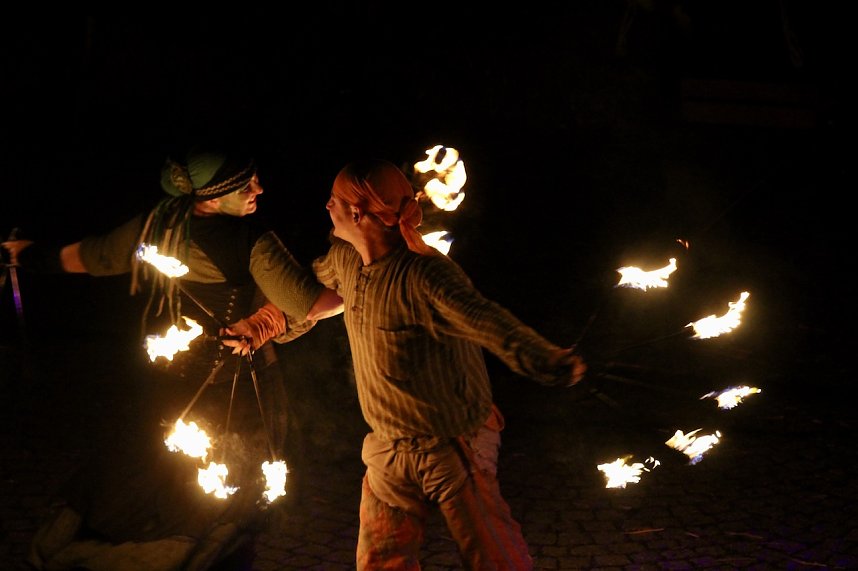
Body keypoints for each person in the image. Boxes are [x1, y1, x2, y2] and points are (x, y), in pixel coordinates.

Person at [2, 145, 341, 571]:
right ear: (214, 196)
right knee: (232, 510)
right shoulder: (251, 239)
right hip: (242, 396)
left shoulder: (158, 222)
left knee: (174, 494)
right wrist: (359, 278)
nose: (259, 187)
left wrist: (26, 254)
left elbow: (93, 256)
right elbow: (314, 305)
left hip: (172, 390)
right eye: (245, 184)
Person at [309, 158, 588, 570]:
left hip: (452, 444)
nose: (326, 207)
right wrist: (260, 324)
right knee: (381, 562)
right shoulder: (346, 261)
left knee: (495, 558)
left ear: (358, 212)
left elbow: (485, 319)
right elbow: (307, 291)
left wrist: (544, 359)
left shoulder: (426, 275)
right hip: (388, 446)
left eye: (333, 200)